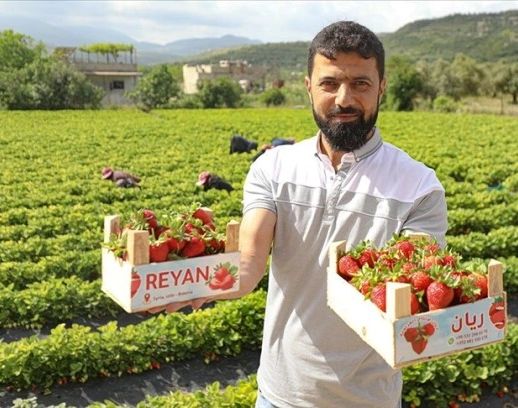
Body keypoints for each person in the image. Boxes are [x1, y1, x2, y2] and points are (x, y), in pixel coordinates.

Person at [153, 21, 448, 407]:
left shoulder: (419, 187)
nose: (343, 98)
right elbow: (251, 261)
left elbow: (409, 289)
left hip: (369, 400)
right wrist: (195, 282)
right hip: (280, 397)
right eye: (329, 84)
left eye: (360, 83)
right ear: (308, 86)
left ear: (382, 87)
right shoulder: (272, 169)